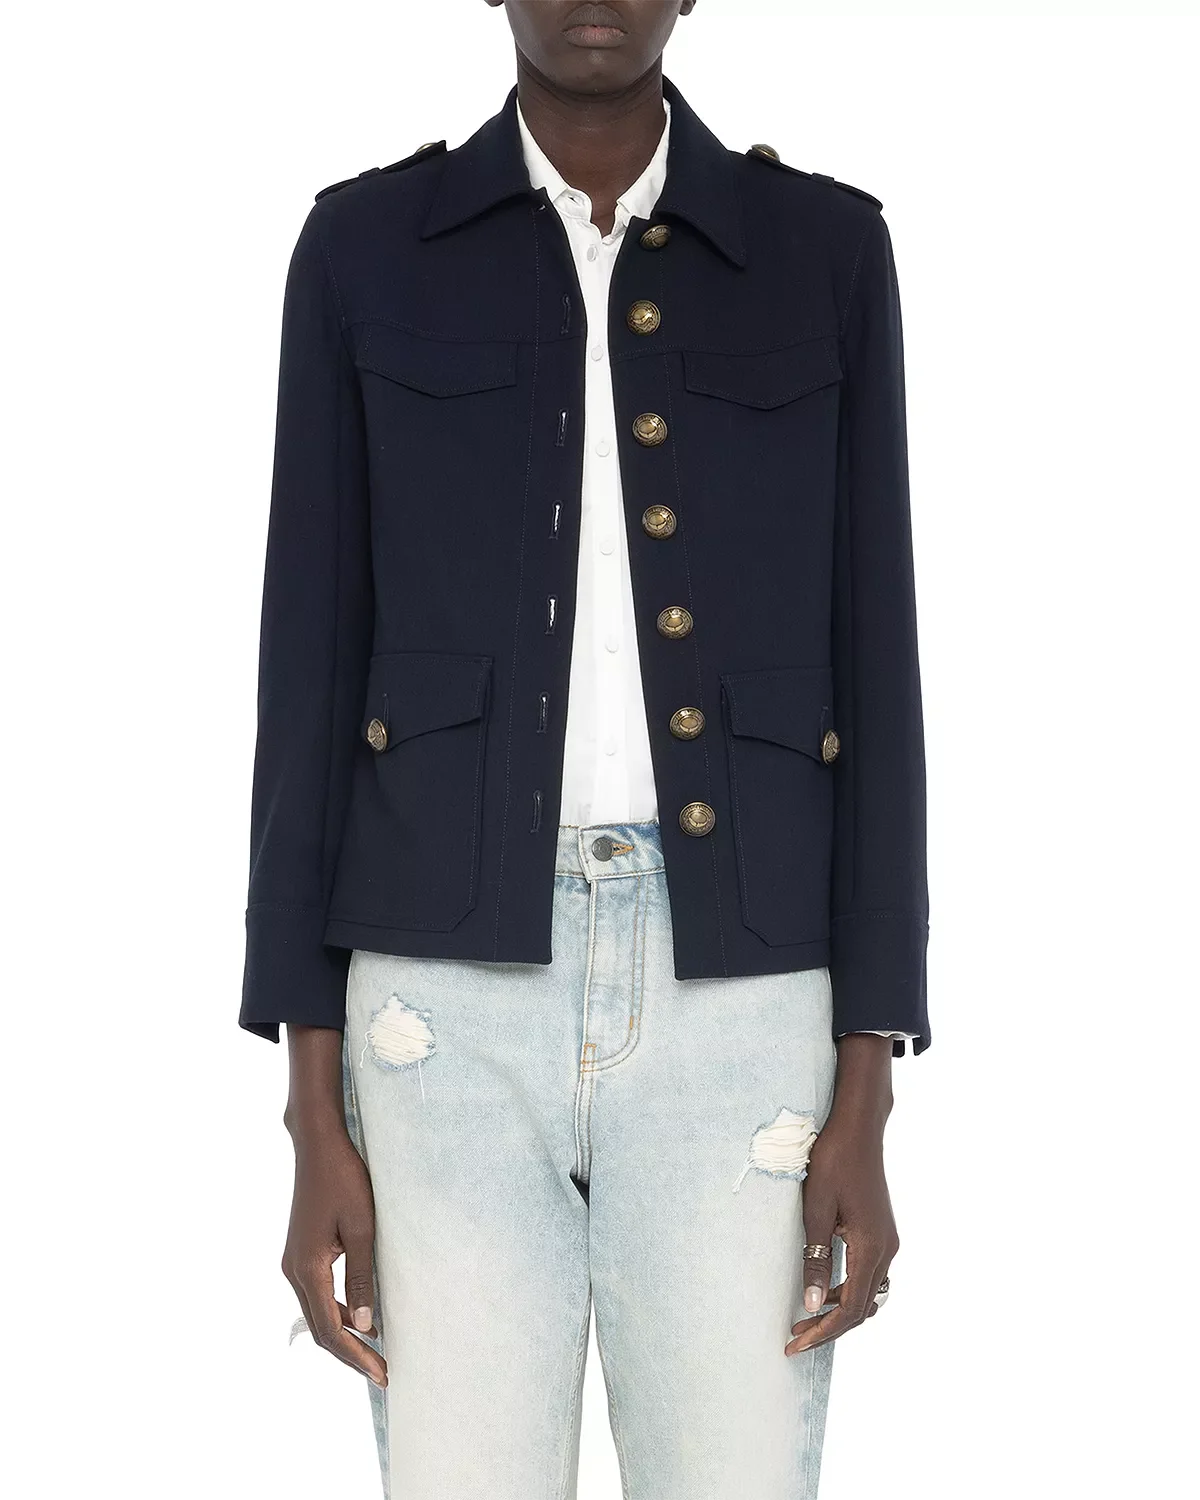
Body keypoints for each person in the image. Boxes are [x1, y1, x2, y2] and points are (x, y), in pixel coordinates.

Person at [240, 2, 929, 1495]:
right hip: (437, 1013)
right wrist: (309, 1114)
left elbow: (879, 668)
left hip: (745, 1004)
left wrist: (869, 1080)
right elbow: (307, 674)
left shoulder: (824, 252)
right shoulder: (366, 248)